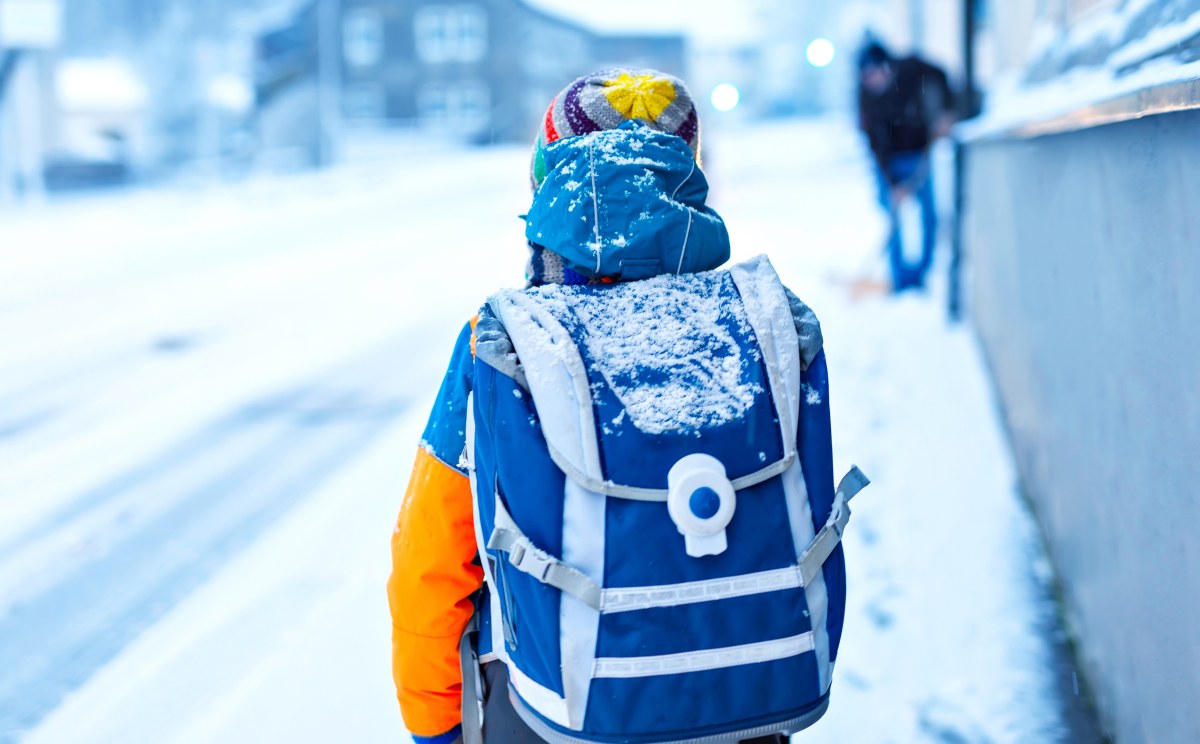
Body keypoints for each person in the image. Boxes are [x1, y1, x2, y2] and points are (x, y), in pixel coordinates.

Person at [389, 69, 858, 744]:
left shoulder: (504, 345)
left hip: (561, 715)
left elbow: (429, 568)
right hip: (747, 702)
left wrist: (437, 730)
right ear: (686, 180)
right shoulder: (764, 325)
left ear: (549, 184)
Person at [857, 41, 955, 293]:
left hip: (919, 153)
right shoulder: (865, 96)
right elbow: (873, 142)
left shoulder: (912, 68)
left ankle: (922, 274)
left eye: (876, 74)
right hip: (888, 161)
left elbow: (941, 74)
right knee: (893, 216)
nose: (873, 82)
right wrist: (892, 184)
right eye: (867, 78)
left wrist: (946, 112)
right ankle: (900, 279)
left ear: (887, 67)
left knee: (929, 216)